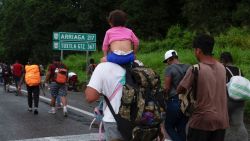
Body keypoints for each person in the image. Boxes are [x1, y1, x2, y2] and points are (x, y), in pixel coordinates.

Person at [177, 34, 229, 141]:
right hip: (221, 120)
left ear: (198, 50)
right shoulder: (222, 68)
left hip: (201, 122)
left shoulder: (196, 69)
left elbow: (180, 89)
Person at [85, 62, 126, 141]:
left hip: (114, 120)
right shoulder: (139, 64)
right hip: (137, 121)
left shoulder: (103, 66)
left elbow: (90, 97)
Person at [220, 52, 248, 141]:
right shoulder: (239, 69)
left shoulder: (223, 69)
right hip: (241, 100)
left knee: (223, 123)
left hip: (229, 100)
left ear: (223, 60)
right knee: (239, 123)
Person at [163, 50, 189, 141]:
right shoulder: (188, 67)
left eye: (167, 61)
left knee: (168, 126)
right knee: (181, 128)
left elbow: (166, 88)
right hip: (186, 103)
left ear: (170, 59)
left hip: (174, 101)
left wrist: (163, 98)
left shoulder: (170, 69)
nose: (167, 64)